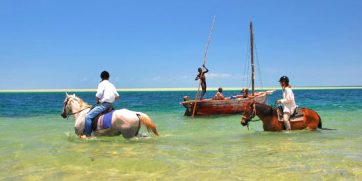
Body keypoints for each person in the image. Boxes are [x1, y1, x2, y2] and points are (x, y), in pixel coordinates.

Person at [81, 71, 120, 138]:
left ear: (101, 77)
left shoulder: (101, 84)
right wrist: (112, 101)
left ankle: (88, 135)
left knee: (88, 117)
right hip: (110, 105)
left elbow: (98, 95)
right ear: (108, 77)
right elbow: (117, 96)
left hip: (103, 105)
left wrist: (98, 101)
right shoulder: (112, 84)